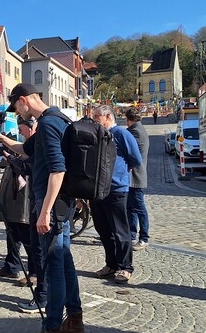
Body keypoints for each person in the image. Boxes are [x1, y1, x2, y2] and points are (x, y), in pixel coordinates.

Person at [0, 83, 83, 333]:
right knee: (64, 261)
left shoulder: (46, 124)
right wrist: (1, 140)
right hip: (62, 204)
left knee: (53, 266)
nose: (17, 113)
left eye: (16, 108)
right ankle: (75, 318)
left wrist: (45, 212)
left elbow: (58, 169)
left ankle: (53, 325)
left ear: (23, 100)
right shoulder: (57, 118)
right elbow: (25, 150)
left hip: (52, 207)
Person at [0, 117, 48, 314]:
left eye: (21, 128)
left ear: (31, 127)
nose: (19, 132)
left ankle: (36, 276)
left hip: (28, 198)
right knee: (13, 232)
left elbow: (27, 166)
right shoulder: (27, 143)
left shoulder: (36, 143)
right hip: (17, 197)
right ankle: (12, 265)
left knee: (30, 239)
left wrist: (11, 158)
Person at [90, 105, 142, 284]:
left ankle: (125, 267)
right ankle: (111, 264)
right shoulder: (98, 134)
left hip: (116, 189)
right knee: (103, 230)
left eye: (96, 117)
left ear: (107, 116)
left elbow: (135, 158)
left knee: (120, 230)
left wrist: (121, 172)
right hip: (98, 190)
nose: (94, 120)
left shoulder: (121, 133)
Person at [125, 108, 150, 251]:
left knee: (140, 208)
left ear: (128, 119)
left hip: (135, 176)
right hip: (134, 176)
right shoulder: (139, 129)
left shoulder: (135, 132)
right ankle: (132, 235)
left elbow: (129, 152)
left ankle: (144, 238)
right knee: (131, 208)